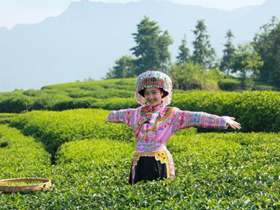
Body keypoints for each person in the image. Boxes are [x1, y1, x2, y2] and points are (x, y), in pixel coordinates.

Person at [106, 70, 241, 185]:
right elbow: (119, 114)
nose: (151, 97)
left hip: (159, 159)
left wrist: (221, 120)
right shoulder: (136, 113)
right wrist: (109, 116)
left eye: (154, 92)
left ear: (162, 94)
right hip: (139, 160)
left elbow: (197, 117)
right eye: (147, 93)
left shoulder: (172, 114)